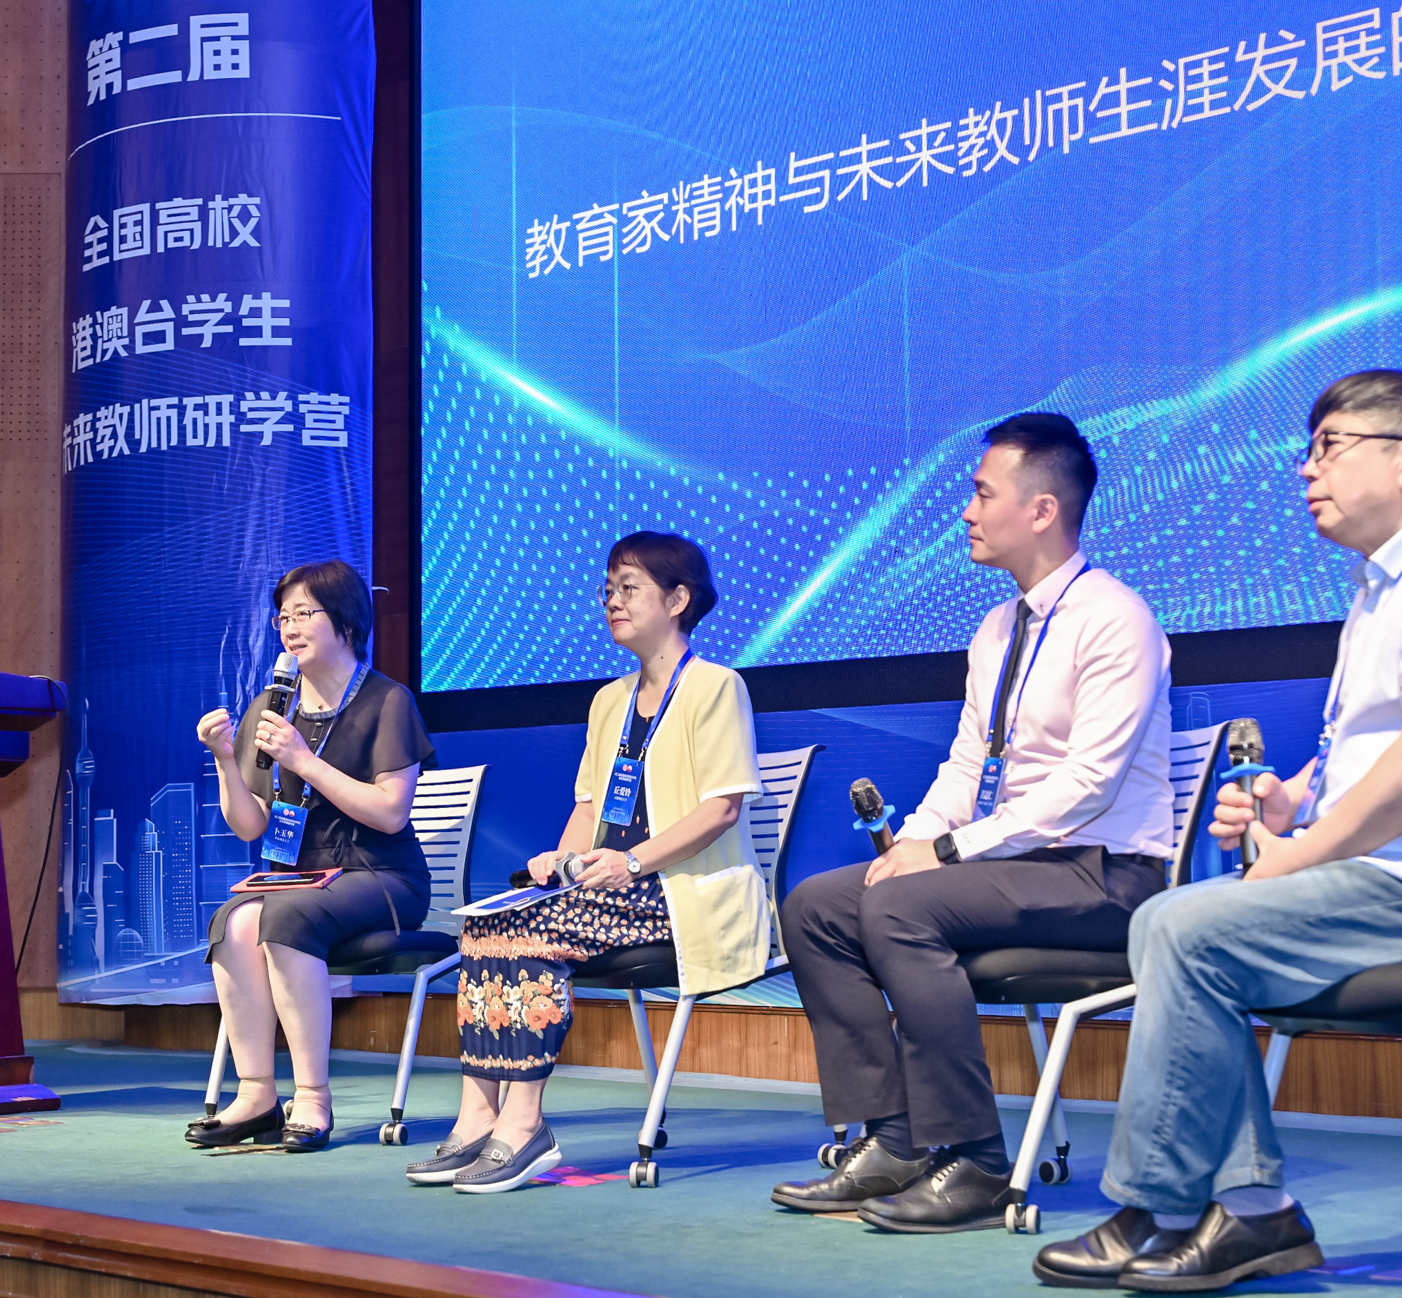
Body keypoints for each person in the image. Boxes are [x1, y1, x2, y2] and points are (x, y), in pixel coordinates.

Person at [1034, 370, 1402, 1292]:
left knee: (1183, 925)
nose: (1305, 468)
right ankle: (1248, 1210)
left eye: (1331, 446)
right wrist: (1293, 803)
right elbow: (1376, 754)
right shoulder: (1384, 586)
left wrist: (1295, 856)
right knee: (1179, 922)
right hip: (1397, 884)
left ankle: (1178, 1209)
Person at [772, 412, 1174, 1233]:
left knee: (899, 906)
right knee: (818, 904)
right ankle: (895, 1141)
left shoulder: (1116, 618)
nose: (966, 511)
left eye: (983, 493)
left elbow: (1089, 784)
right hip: (1016, 867)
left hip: (1105, 875)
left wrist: (947, 851)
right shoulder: (996, 629)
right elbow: (967, 766)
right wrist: (913, 844)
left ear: (1042, 509)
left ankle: (979, 1163)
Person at [406, 531, 768, 1193]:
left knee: (532, 932)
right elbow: (590, 805)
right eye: (608, 590)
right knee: (486, 925)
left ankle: (524, 1124)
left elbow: (721, 809)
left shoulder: (717, 686)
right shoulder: (609, 700)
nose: (612, 602)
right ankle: (478, 1116)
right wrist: (559, 858)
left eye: (629, 588)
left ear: (678, 599)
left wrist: (633, 863)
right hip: (606, 892)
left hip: (680, 892)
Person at [187, 558, 437, 1153]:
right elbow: (250, 823)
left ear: (346, 622)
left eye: (304, 613)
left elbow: (390, 812)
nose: (290, 627)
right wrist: (224, 759)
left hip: (380, 873)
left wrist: (302, 761)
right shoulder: (272, 707)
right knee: (234, 921)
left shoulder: (387, 701)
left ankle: (313, 1098)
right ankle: (256, 1095)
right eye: (283, 617)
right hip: (301, 877)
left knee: (284, 917)